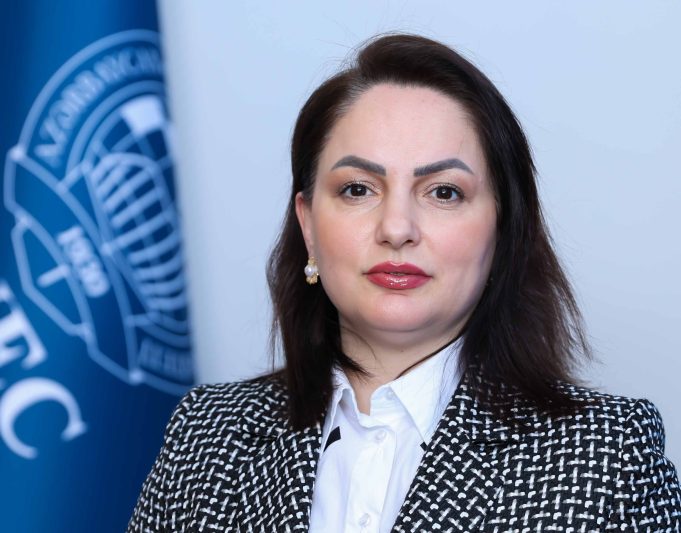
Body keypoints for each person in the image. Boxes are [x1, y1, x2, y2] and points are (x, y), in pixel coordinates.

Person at [127, 34, 681, 532]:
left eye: (444, 192)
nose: (396, 229)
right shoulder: (207, 434)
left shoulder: (606, 455)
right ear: (308, 224)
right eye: (357, 189)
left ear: (502, 228)